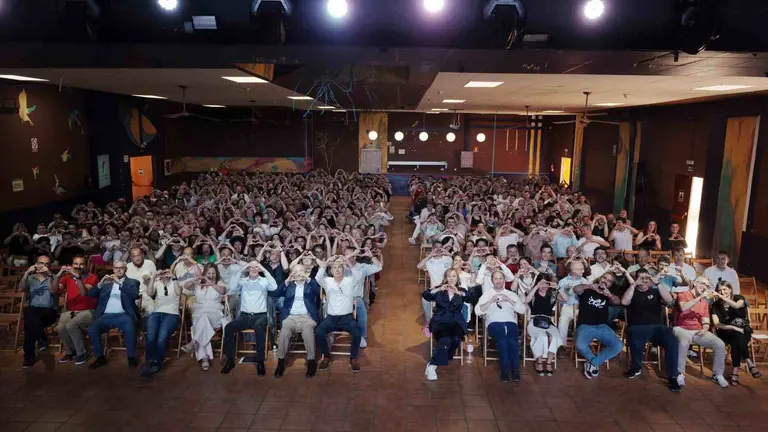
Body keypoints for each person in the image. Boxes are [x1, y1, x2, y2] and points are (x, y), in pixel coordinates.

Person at [621, 269, 681, 392]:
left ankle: (673, 376)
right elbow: (624, 302)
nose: (643, 281)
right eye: (640, 278)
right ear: (636, 279)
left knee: (672, 341)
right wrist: (633, 284)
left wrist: (657, 283)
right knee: (635, 338)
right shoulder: (631, 291)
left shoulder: (655, 291)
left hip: (657, 327)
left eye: (645, 278)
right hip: (637, 326)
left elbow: (669, 301)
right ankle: (636, 367)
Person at [221, 261, 277, 375]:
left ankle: (260, 361)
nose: (253, 269)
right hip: (245, 316)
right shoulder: (243, 282)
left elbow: (274, 286)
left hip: (260, 316)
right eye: (251, 267)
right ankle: (230, 360)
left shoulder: (264, 281)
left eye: (256, 267)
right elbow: (232, 286)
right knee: (228, 328)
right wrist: (242, 269)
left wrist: (263, 269)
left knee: (259, 329)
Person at [672, 276, 728, 388]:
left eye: (707, 286)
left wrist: (705, 328)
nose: (704, 287)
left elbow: (705, 320)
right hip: (681, 328)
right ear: (695, 283)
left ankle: (717, 374)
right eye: (702, 284)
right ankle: (679, 373)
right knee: (683, 343)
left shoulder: (704, 302)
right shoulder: (683, 294)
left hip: (698, 331)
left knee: (719, 344)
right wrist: (701, 297)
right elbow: (684, 308)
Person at [86, 261, 141, 369]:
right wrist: (101, 282)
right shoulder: (106, 284)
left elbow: (134, 295)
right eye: (116, 268)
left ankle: (131, 357)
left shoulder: (132, 282)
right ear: (113, 269)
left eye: (121, 268)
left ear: (126, 270)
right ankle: (100, 358)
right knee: (92, 329)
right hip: (106, 316)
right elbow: (90, 294)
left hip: (124, 315)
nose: (118, 270)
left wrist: (120, 283)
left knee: (130, 328)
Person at [314, 255, 365, 372]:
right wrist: (326, 262)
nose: (337, 270)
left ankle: (353, 358)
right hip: (331, 318)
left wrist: (348, 262)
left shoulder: (350, 280)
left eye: (340, 267)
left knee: (357, 331)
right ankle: (326, 356)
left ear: (343, 269)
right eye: (334, 268)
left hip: (347, 318)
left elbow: (359, 275)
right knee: (319, 331)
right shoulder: (327, 281)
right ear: (331, 271)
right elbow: (317, 277)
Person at [270, 264, 322, 378]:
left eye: (301, 271)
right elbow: (276, 294)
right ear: (291, 273)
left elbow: (318, 293)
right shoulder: (289, 285)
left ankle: (311, 361)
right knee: (284, 331)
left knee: (308, 330)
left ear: (306, 273)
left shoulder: (310, 284)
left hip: (307, 317)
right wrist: (287, 280)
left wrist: (308, 278)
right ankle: (281, 361)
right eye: (296, 271)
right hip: (291, 317)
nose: (298, 273)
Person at [476, 270, 526, 382]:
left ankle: (515, 370)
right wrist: (490, 301)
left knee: (513, 341)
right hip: (494, 322)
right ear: (492, 281)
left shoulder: (511, 294)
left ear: (504, 280)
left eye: (500, 278)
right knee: (503, 341)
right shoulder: (487, 294)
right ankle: (505, 370)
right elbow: (478, 311)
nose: (498, 281)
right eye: (496, 279)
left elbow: (522, 310)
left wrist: (509, 300)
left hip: (510, 322)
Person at [572, 272, 624, 379]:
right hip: (585, 325)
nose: (605, 281)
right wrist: (590, 286)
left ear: (610, 285)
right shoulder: (588, 290)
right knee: (580, 345)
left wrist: (608, 294)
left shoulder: (608, 295)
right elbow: (575, 289)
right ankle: (594, 362)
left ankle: (593, 363)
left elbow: (617, 302)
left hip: (602, 326)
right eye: (604, 278)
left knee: (618, 346)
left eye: (609, 281)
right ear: (600, 278)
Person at [423, 268, 472, 381]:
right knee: (445, 341)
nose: (451, 278)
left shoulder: (461, 290)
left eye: (454, 276)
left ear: (457, 278)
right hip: (440, 321)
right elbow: (426, 295)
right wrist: (438, 288)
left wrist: (458, 293)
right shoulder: (440, 290)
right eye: (449, 276)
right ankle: (432, 367)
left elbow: (469, 298)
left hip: (456, 322)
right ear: (445, 278)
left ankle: (432, 363)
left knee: (455, 340)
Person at [711, 280, 762, 385]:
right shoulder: (715, 305)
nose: (722, 292)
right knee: (737, 336)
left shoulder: (739, 298)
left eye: (724, 289)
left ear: (730, 289)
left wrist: (737, 329)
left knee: (737, 339)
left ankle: (735, 373)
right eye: (719, 290)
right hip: (726, 331)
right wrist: (733, 328)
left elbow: (736, 306)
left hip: (743, 330)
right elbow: (716, 324)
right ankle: (749, 363)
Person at [181, 264, 228, 371]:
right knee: (202, 321)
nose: (211, 275)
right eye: (208, 273)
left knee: (200, 323)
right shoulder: (198, 284)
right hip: (199, 313)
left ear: (216, 274)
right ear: (204, 274)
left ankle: (197, 347)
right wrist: (195, 280)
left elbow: (223, 291)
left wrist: (210, 283)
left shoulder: (219, 283)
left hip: (215, 315)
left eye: (213, 273)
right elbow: (186, 286)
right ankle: (203, 356)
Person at [54, 255, 98, 365]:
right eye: (76, 264)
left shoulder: (92, 277)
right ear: (72, 265)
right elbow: (54, 290)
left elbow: (84, 293)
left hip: (89, 311)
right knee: (60, 327)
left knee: (70, 325)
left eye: (81, 264)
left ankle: (82, 353)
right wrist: (59, 274)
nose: (78, 266)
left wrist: (77, 278)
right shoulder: (67, 277)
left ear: (86, 265)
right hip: (71, 311)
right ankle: (71, 352)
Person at [17, 255, 59, 369]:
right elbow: (20, 289)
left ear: (50, 266)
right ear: (36, 264)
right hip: (34, 311)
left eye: (47, 264)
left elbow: (53, 290)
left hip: (49, 311)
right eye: (41, 263)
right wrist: (26, 273)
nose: (44, 266)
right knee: (30, 316)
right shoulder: (30, 278)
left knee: (29, 318)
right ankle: (41, 340)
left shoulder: (54, 277)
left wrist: (49, 274)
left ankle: (29, 357)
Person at [142, 268, 182, 378]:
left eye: (166, 272)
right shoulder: (157, 283)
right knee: (150, 336)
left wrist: (173, 276)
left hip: (172, 314)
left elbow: (179, 293)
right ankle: (149, 361)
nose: (165, 274)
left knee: (162, 336)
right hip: (157, 312)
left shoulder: (175, 282)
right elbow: (150, 293)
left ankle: (157, 362)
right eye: (163, 272)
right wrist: (154, 276)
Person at [524, 273, 562, 376]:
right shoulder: (533, 294)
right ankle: (539, 361)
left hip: (548, 322)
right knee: (542, 336)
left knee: (555, 336)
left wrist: (558, 288)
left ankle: (549, 362)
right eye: (541, 283)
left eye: (546, 283)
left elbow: (566, 299)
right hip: (534, 321)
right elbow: (526, 300)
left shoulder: (552, 294)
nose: (544, 286)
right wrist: (536, 287)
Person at [557, 260, 589, 350]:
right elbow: (558, 297)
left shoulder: (585, 282)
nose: (583, 271)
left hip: (582, 308)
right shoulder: (563, 282)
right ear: (574, 271)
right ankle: (561, 346)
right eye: (581, 269)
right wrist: (566, 291)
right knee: (562, 321)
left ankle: (583, 346)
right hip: (568, 306)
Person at [126, 247, 157, 316]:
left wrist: (150, 280)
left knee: (152, 310)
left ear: (142, 255)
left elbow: (156, 280)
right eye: (134, 256)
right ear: (131, 258)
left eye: (138, 255)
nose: (137, 258)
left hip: (146, 296)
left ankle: (146, 323)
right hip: (131, 298)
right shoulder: (127, 267)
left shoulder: (150, 263)